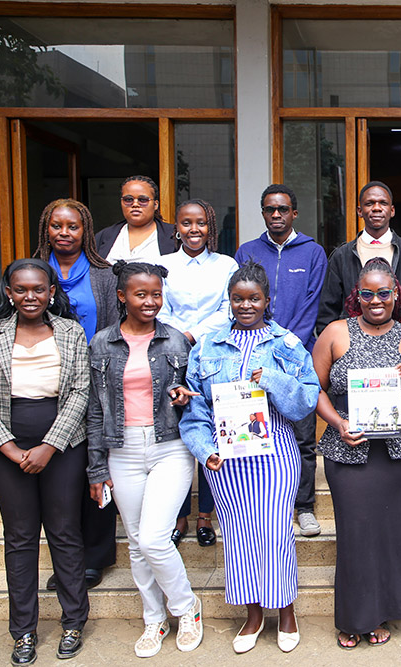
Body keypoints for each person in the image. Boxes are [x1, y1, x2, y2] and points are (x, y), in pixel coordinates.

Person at [180, 260, 320, 655]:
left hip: (275, 455)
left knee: (274, 534)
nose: (245, 305)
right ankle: (254, 614)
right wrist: (205, 452)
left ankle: (286, 611)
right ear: (229, 301)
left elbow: (306, 400)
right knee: (240, 537)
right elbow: (195, 409)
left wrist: (271, 378)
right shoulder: (208, 346)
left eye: (253, 298)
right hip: (226, 461)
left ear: (267, 300)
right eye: (238, 299)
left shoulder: (286, 343)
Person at [0, 258, 91, 665]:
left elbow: (80, 391)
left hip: (64, 447)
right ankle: (23, 632)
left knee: (65, 533)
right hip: (6, 451)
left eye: (39, 288)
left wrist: (49, 446)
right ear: (9, 293)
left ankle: (73, 622)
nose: (30, 296)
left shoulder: (70, 331)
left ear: (52, 292)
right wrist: (10, 448)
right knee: (19, 539)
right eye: (22, 289)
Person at [85, 261, 203, 658]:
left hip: (170, 445)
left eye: (156, 293)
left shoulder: (176, 341)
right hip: (121, 448)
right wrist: (97, 466)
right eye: (141, 294)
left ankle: (186, 609)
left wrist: (186, 397)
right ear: (122, 296)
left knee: (154, 536)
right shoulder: (101, 343)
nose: (150, 301)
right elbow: (95, 409)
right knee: (136, 542)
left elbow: (195, 392)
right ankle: (154, 618)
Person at [313, 257, 401, 649]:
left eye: (384, 292)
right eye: (367, 293)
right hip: (349, 449)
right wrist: (337, 423)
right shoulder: (334, 333)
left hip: (398, 453)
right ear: (356, 296)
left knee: (393, 534)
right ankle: (353, 617)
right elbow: (314, 389)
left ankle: (383, 612)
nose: (376, 300)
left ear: (396, 294)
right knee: (357, 534)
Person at [34, 198, 119, 590]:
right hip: (46, 383)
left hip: (95, 380)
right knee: (59, 475)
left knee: (95, 463)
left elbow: (116, 329)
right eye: (57, 226)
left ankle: (96, 556)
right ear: (46, 229)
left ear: (85, 230)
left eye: (73, 226)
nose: (64, 233)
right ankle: (66, 558)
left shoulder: (104, 275)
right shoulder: (33, 272)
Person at [236, 184, 327, 538]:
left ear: (294, 213)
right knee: (254, 432)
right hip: (250, 354)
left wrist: (285, 348)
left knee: (302, 436)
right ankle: (262, 506)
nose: (277, 215)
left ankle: (303, 507)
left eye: (283, 209)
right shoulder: (247, 251)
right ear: (263, 213)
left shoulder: (313, 252)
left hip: (295, 356)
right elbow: (242, 301)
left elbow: (312, 305)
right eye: (270, 209)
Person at [161, 198, 239, 549]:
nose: (194, 229)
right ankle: (179, 515)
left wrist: (193, 334)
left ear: (211, 228)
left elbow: (229, 308)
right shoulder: (160, 265)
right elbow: (156, 306)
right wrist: (180, 335)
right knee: (176, 434)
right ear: (176, 227)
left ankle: (206, 515)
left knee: (211, 432)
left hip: (213, 355)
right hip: (168, 355)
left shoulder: (226, 264)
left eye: (201, 223)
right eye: (186, 223)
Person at [317, 181, 401, 343]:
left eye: (383, 203)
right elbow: (327, 313)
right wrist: (341, 348)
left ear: (392, 211)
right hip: (353, 348)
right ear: (360, 211)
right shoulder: (341, 256)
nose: (376, 208)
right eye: (369, 203)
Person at [96, 175, 177, 262]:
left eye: (142, 200)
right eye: (128, 199)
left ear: (155, 205)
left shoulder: (174, 235)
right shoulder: (104, 236)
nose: (135, 204)